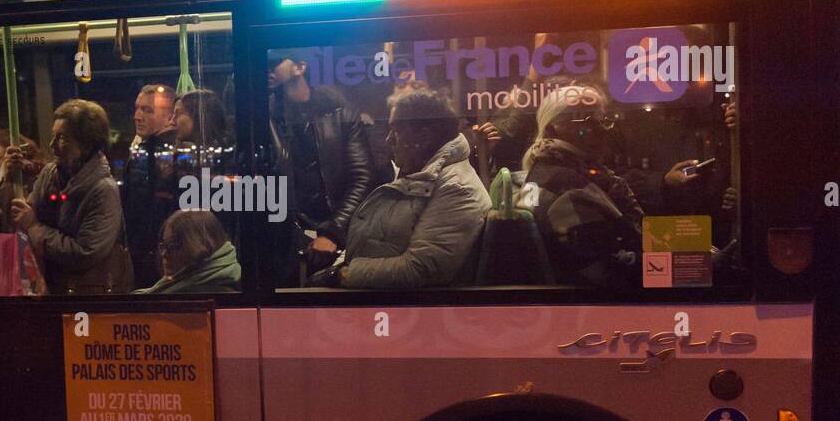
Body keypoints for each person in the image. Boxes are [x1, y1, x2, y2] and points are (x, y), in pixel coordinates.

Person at [309, 89, 490, 289]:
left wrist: (342, 275)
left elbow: (420, 268)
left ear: (423, 137)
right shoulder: (420, 173)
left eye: (395, 130)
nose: (388, 140)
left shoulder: (455, 188)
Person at [522, 82, 644, 288]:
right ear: (552, 129)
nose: (602, 130)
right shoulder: (570, 190)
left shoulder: (548, 172)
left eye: (603, 120)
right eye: (587, 121)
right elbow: (604, 275)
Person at [268, 55, 375, 283]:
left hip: (334, 230)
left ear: (300, 67)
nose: (266, 69)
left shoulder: (339, 112)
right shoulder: (266, 117)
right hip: (284, 235)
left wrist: (333, 231)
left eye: (273, 62)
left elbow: (361, 176)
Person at [9, 99, 131, 294]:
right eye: (53, 136)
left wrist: (34, 227)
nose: (52, 145)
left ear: (86, 143)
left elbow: (85, 252)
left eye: (63, 138)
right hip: (53, 289)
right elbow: (22, 216)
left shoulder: (103, 190)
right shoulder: (51, 174)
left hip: (92, 295)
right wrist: (10, 179)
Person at [122, 84, 179, 287]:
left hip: (152, 251)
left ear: (169, 117)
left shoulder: (162, 154)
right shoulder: (143, 149)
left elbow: (143, 209)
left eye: (147, 110)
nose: (137, 116)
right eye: (137, 108)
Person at [135, 210, 241, 295]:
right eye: (163, 246)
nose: (164, 254)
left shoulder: (198, 293)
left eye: (174, 246)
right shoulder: (176, 286)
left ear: (202, 247)